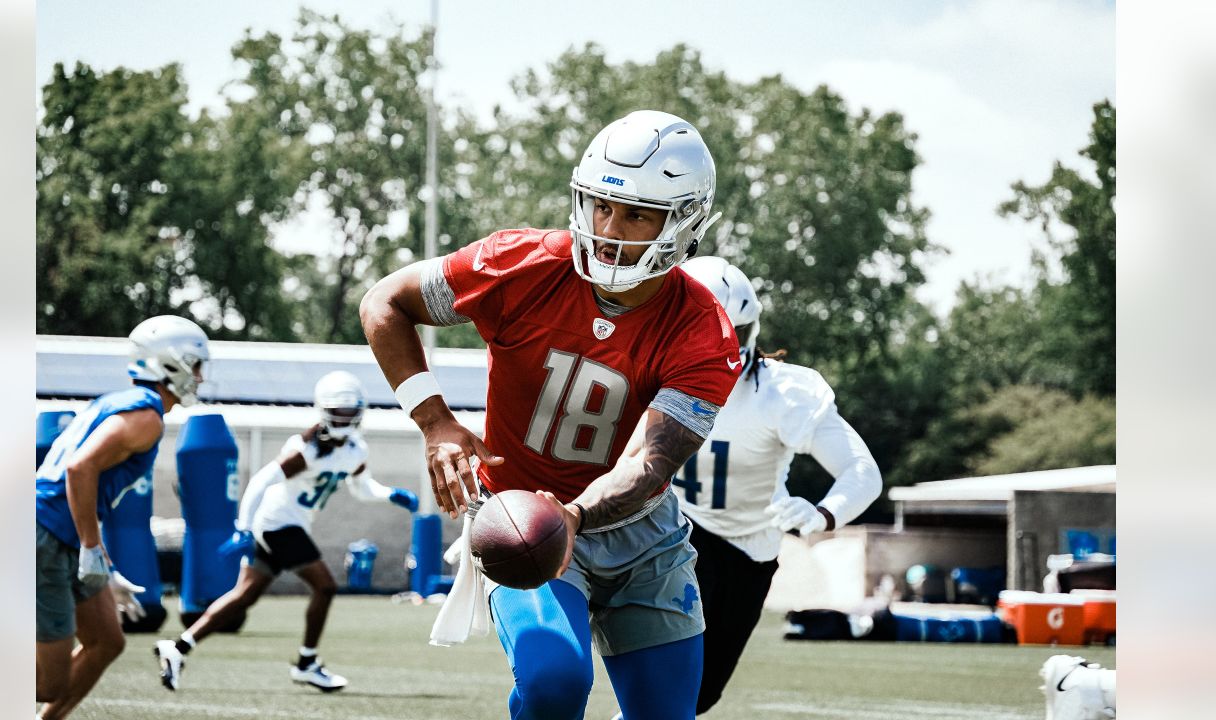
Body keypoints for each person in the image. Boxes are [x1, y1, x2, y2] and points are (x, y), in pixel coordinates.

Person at [360, 110, 740, 720]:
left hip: (641, 533)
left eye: (638, 213)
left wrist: (574, 514)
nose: (610, 229)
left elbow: (648, 462)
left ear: (685, 220)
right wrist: (434, 420)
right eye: (600, 206)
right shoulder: (523, 264)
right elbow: (385, 301)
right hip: (521, 514)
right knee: (554, 681)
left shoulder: (703, 329)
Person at [665, 256, 883, 714]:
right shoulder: (642, 371)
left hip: (743, 550)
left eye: (731, 332)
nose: (719, 346)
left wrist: (824, 513)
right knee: (661, 682)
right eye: (703, 330)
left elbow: (862, 472)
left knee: (698, 696)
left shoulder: (781, 394)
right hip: (667, 531)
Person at [152, 370, 419, 692]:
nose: (345, 418)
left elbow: (361, 488)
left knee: (243, 597)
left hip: (286, 526)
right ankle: (307, 663)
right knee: (325, 587)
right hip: (278, 525)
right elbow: (262, 481)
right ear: (324, 410)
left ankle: (178, 648)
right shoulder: (306, 449)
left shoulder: (354, 450)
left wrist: (390, 493)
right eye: (339, 411)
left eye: (351, 411)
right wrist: (245, 528)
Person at [36, 315, 210, 720]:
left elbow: (86, 487)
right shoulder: (145, 416)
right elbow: (80, 470)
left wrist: (106, 568)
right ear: (171, 363)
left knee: (107, 642)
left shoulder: (118, 402)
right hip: (46, 533)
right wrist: (92, 549)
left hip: (59, 532)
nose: (200, 377)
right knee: (48, 683)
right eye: (196, 365)